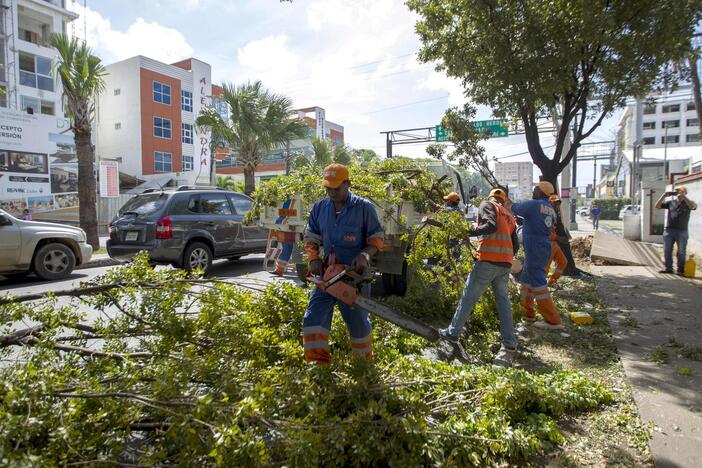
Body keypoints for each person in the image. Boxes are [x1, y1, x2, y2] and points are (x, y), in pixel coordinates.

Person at [302, 163, 385, 364]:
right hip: (327, 276)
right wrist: (313, 258)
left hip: (353, 278)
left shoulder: (364, 208)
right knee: (313, 319)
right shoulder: (320, 208)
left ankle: (363, 364)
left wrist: (365, 255)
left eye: (336, 188)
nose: (331, 192)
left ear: (347, 184)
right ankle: (318, 364)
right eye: (328, 188)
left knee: (358, 326)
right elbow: (311, 236)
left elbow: (376, 239)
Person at [439, 188, 520, 366]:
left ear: (490, 197)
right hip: (504, 264)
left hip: (488, 261)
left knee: (469, 297)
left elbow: (490, 226)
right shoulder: (509, 214)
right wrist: (507, 257)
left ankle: (452, 333)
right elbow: (515, 244)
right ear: (503, 200)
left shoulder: (487, 205)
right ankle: (510, 342)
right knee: (503, 303)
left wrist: (468, 231)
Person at [508, 181, 564, 330]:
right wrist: (527, 220)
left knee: (538, 282)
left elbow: (514, 208)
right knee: (527, 280)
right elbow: (540, 222)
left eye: (536, 189)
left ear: (541, 191)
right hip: (542, 247)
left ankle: (553, 320)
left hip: (535, 247)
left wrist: (507, 201)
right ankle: (528, 314)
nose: (533, 191)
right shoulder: (551, 209)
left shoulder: (534, 204)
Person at [655, 186, 697, 275]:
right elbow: (657, 206)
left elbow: (693, 206)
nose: (677, 193)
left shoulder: (689, 203)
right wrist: (663, 196)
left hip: (682, 231)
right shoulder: (671, 202)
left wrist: (684, 197)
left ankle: (680, 270)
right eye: (676, 191)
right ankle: (668, 268)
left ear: (685, 192)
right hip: (669, 230)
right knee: (667, 250)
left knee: (681, 251)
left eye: (680, 191)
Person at [546, 195, 567, 286]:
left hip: (553, 244)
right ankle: (540, 287)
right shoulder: (547, 215)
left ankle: (551, 282)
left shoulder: (554, 215)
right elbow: (546, 232)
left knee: (563, 262)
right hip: (548, 244)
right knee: (546, 267)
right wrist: (559, 238)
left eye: (558, 204)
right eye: (555, 203)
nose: (557, 206)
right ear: (550, 203)